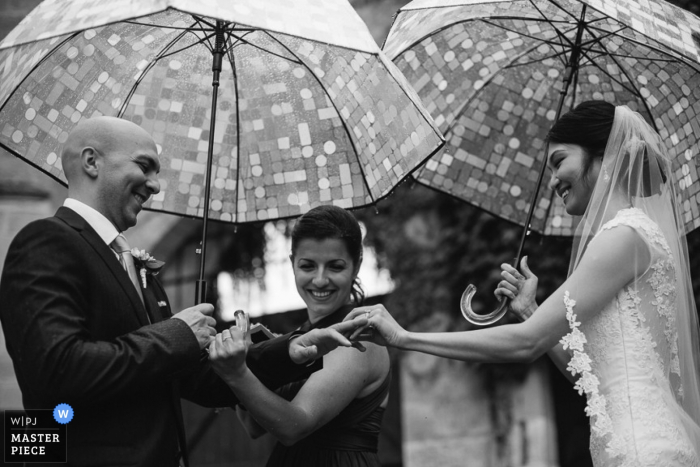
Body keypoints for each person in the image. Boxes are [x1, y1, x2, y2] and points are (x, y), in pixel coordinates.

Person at [345, 101, 700, 465]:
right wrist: (531, 311)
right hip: (631, 446)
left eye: (560, 161)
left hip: (643, 450)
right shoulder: (631, 235)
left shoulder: (623, 236)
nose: (552, 181)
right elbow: (592, 377)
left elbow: (526, 343)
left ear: (603, 154)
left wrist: (405, 338)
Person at [0, 117, 366, 467]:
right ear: (92, 161)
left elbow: (195, 380)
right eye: (145, 166)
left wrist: (292, 350)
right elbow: (55, 371)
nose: (155, 185)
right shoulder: (47, 241)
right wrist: (177, 334)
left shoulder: (131, 261)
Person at [208, 205, 391, 467]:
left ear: (356, 265)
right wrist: (247, 362)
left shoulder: (360, 336)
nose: (319, 280)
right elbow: (254, 428)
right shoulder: (299, 337)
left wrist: (237, 374)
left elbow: (295, 427)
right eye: (307, 266)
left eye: (335, 267)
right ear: (292, 262)